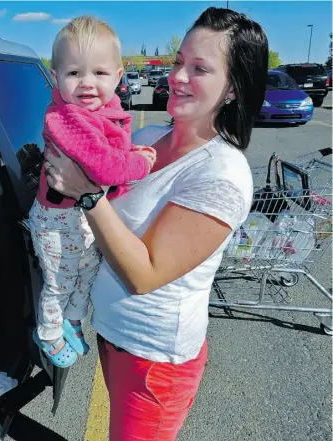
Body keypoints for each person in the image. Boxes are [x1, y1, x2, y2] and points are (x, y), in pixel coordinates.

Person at [43, 7, 268, 440]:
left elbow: (144, 274)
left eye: (199, 68)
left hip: (154, 360)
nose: (178, 76)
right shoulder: (145, 141)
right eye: (179, 61)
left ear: (233, 89)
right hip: (112, 336)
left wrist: (86, 193)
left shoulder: (221, 173)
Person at [28, 16, 156, 368]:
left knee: (87, 271)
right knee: (60, 279)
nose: (87, 83)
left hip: (84, 217)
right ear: (55, 78)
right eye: (74, 73)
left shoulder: (103, 112)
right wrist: (139, 163)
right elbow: (104, 167)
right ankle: (50, 332)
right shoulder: (68, 117)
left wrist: (126, 156)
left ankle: (72, 319)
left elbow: (109, 156)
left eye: (99, 73)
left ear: (118, 76)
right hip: (57, 222)